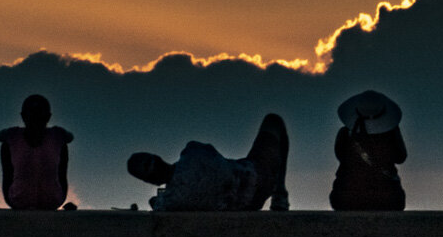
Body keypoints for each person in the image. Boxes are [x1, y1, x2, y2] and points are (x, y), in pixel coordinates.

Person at [127, 114, 289, 211]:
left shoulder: (171, 201)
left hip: (251, 203)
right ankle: (279, 194)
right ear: (158, 157)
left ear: (151, 181)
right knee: (273, 120)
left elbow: (156, 204)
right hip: (259, 174)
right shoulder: (192, 152)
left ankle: (278, 194)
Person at [329, 90, 406, 211]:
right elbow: (401, 157)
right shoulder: (390, 134)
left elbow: (341, 156)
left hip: (346, 197)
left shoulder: (345, 133)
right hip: (387, 197)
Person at [0, 94, 75, 210]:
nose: (35, 119)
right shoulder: (13, 137)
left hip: (51, 200)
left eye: (39, 115)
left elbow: (62, 173)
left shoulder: (57, 137)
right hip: (19, 200)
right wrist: (11, 201)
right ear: (23, 117)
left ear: (48, 118)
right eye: (32, 115)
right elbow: (7, 173)